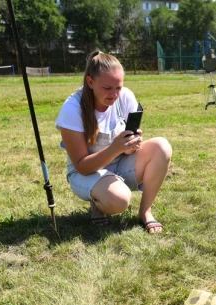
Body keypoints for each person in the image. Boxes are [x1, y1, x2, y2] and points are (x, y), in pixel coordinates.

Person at [55, 51, 172, 233]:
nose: (114, 94)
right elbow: (82, 166)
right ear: (90, 82)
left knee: (162, 147)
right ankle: (99, 203)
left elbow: (129, 144)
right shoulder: (72, 108)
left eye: (118, 87)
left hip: (119, 163)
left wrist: (131, 144)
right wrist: (115, 148)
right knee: (119, 201)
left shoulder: (125, 96)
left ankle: (145, 212)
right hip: (86, 174)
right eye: (107, 88)